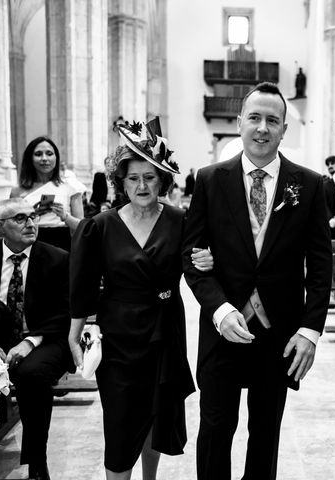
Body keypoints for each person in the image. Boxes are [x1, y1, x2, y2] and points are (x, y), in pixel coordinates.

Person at [182, 81, 332, 480]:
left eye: (272, 120)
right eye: (255, 118)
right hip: (222, 330)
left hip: (279, 333)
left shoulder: (310, 184)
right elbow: (191, 258)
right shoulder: (210, 180)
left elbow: (320, 267)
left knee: (265, 431)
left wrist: (310, 330)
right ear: (239, 123)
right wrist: (217, 308)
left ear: (284, 129)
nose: (262, 128)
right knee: (215, 429)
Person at [68, 119, 213, 480]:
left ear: (162, 180)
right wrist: (75, 332)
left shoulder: (182, 220)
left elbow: (199, 266)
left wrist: (209, 262)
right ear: (121, 183)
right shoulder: (100, 226)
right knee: (120, 420)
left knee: (155, 414)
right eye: (133, 178)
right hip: (119, 333)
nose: (142, 185)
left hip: (165, 327)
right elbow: (83, 283)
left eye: (150, 177)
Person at [0, 198, 72, 480]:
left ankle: (36, 462)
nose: (30, 223)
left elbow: (65, 310)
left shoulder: (57, 258)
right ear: (0, 227)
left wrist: (30, 342)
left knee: (32, 373)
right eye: (20, 218)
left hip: (43, 338)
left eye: (33, 216)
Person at [10, 137, 84, 251]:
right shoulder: (17, 191)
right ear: (30, 158)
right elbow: (11, 226)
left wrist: (65, 216)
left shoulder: (71, 187)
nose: (44, 158)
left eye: (49, 154)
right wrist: (32, 214)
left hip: (62, 244)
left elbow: (82, 227)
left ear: (56, 157)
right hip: (30, 243)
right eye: (38, 154)